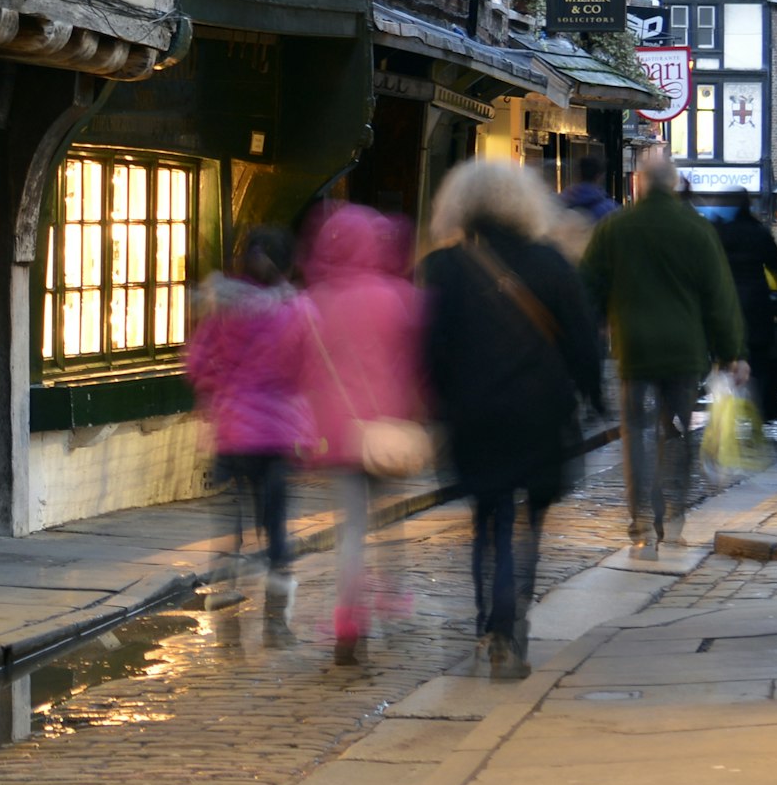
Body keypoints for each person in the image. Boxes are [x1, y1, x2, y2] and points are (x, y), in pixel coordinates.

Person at [419, 161, 604, 678]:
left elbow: (428, 350)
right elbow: (583, 342)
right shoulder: (552, 264)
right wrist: (592, 396)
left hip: (474, 413)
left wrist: (436, 407)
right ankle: (512, 623)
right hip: (539, 413)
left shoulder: (445, 268)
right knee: (530, 527)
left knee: (489, 517)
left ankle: (490, 625)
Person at [260, 197, 424, 664]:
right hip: (385, 429)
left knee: (351, 528)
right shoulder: (394, 296)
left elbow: (291, 366)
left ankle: (348, 618)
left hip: (337, 433)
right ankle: (392, 596)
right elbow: (412, 363)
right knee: (389, 522)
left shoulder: (313, 302)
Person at [579, 149, 748, 552]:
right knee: (677, 435)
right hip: (684, 351)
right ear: (673, 185)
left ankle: (639, 515)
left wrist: (595, 326)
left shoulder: (616, 228)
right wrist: (732, 352)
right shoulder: (696, 229)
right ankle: (672, 517)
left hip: (634, 350)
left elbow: (587, 286)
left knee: (635, 433)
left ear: (639, 182)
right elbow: (718, 296)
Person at [184, 224, 307, 639]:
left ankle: (226, 583)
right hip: (277, 433)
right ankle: (276, 615)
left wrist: (217, 389)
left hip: (233, 430)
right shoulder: (295, 310)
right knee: (274, 519)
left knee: (230, 507)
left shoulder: (223, 307)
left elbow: (196, 362)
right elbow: (307, 366)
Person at [719, 194, 777, 426]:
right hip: (757, 305)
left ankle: (732, 403)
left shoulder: (720, 233)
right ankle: (764, 405)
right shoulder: (758, 232)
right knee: (762, 356)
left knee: (728, 356)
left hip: (727, 305)